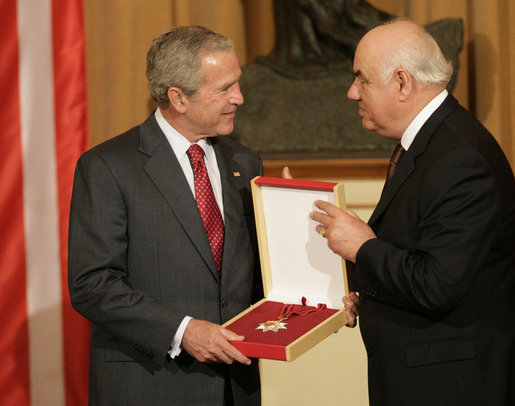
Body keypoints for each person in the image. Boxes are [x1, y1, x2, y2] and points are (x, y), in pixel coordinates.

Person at [310, 19, 515, 406]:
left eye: (361, 79)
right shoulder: (430, 141)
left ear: (402, 83)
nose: (352, 92)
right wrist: (363, 287)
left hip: (450, 386)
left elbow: (435, 283)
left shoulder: (459, 157)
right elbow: (412, 250)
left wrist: (364, 249)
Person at [68, 26, 263, 406]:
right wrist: (183, 331)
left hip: (236, 388)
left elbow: (251, 271)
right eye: (224, 88)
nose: (238, 98)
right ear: (179, 98)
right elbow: (92, 284)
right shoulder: (108, 166)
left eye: (236, 83)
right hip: (151, 384)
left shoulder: (245, 162)